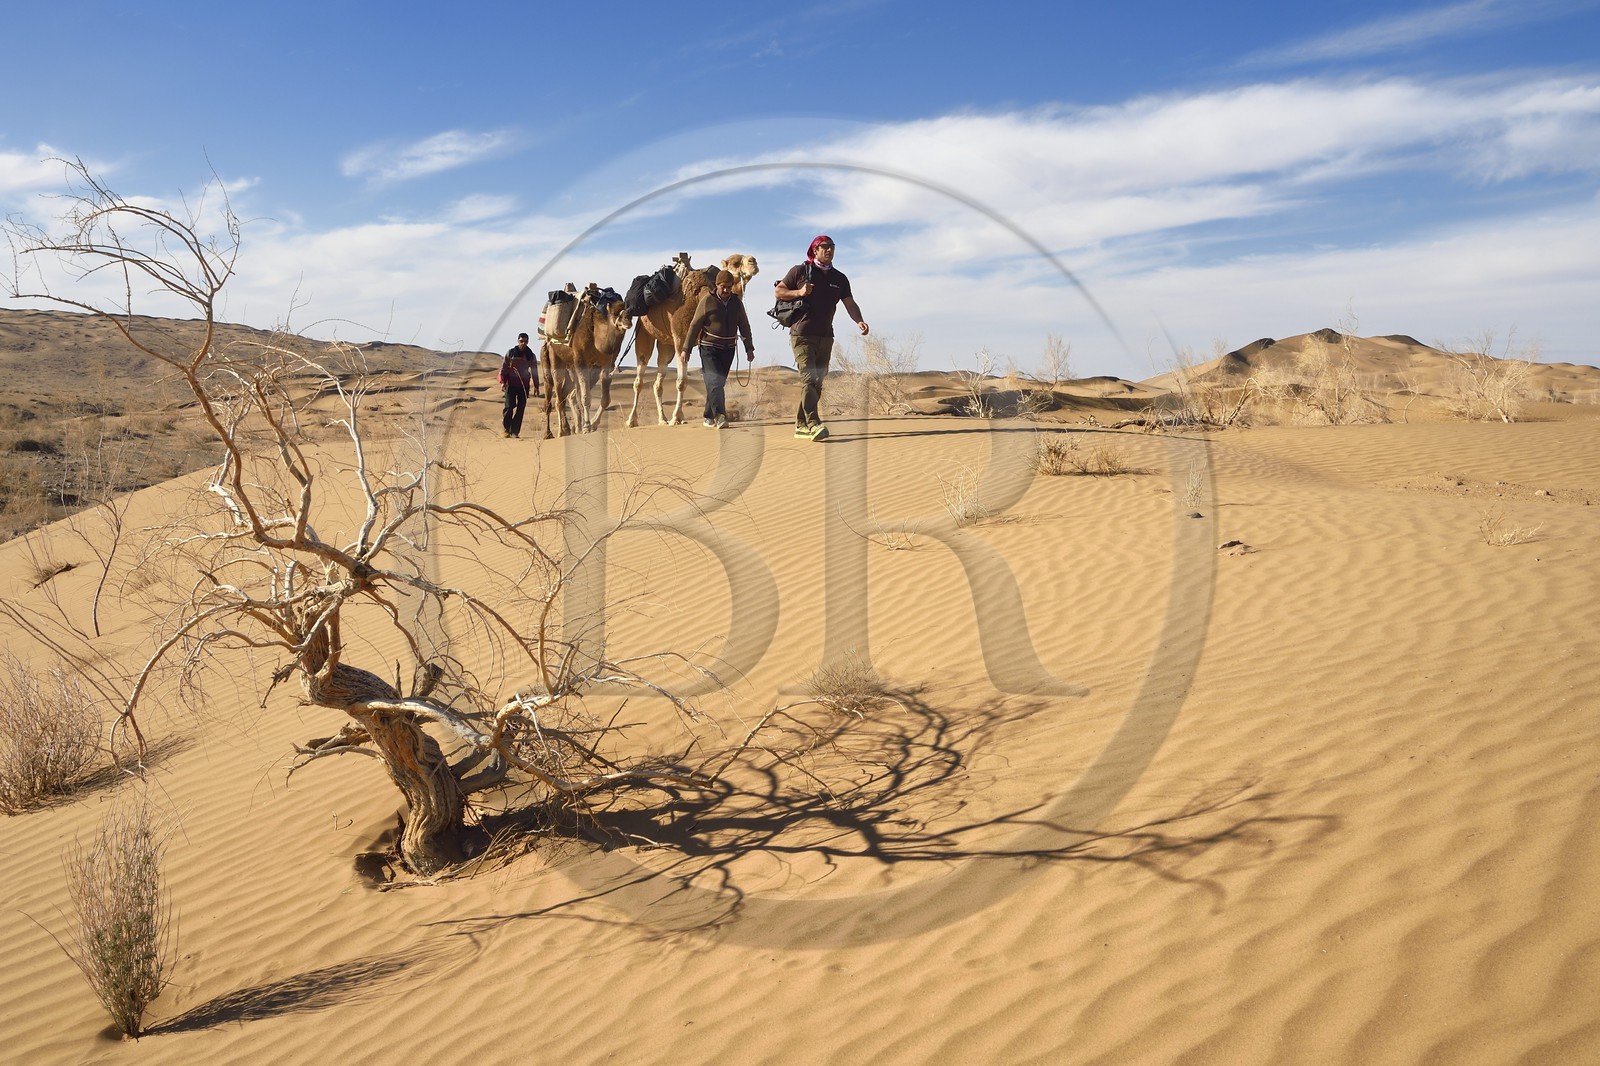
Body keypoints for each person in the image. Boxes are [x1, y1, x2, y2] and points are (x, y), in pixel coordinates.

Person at [772, 234, 868, 441]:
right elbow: (779, 291)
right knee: (809, 379)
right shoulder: (800, 271)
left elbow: (849, 303)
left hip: (826, 335)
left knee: (818, 383)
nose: (829, 250)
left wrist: (859, 320)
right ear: (815, 250)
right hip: (802, 334)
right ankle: (814, 423)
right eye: (824, 247)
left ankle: (801, 425)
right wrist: (799, 292)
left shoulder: (839, 278)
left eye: (832, 247)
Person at [684, 269, 754, 428]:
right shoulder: (707, 301)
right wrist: (686, 349)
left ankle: (708, 416)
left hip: (728, 349)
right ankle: (720, 416)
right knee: (714, 381)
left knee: (717, 383)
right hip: (709, 348)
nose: (726, 290)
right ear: (717, 285)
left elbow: (744, 326)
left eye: (729, 286)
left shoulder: (737, 303)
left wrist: (749, 348)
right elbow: (694, 326)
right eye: (723, 286)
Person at [499, 332, 540, 438]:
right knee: (509, 407)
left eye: (525, 341)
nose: (523, 343)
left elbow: (534, 371)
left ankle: (515, 432)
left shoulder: (531, 355)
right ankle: (506, 429)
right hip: (511, 384)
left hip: (524, 385)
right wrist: (503, 382)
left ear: (528, 342)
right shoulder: (511, 353)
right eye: (521, 341)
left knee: (521, 409)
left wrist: (536, 386)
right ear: (518, 341)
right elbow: (504, 368)